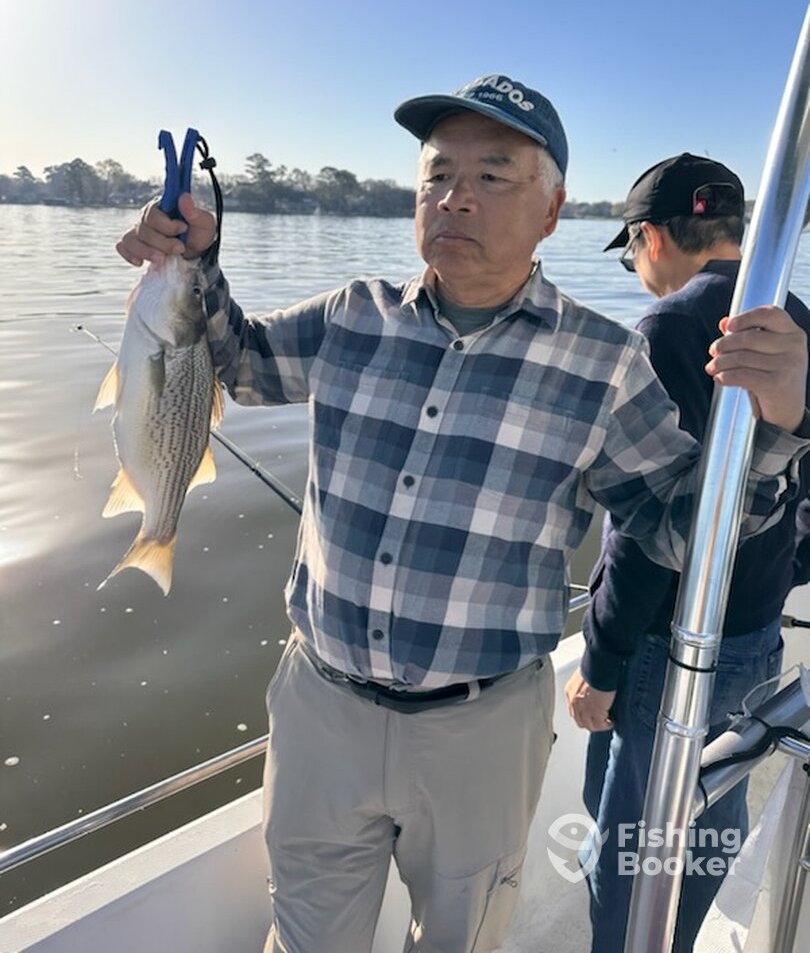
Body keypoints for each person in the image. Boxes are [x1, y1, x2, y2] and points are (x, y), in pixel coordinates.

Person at [118, 82, 809, 953]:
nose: (456, 196)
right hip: (319, 704)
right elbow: (241, 363)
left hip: (482, 728)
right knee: (302, 936)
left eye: (492, 174)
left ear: (553, 211)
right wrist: (191, 265)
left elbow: (680, 532)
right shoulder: (352, 313)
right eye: (438, 174)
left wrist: (777, 429)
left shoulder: (607, 361)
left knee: (461, 937)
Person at [563, 153, 810, 953]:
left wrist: (601, 662)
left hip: (667, 646)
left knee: (632, 854)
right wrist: (780, 570)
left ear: (653, 238)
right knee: (709, 815)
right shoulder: (796, 318)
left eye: (630, 252)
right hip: (755, 629)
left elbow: (649, 531)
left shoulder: (666, 329)